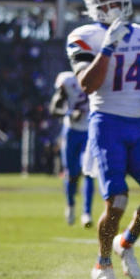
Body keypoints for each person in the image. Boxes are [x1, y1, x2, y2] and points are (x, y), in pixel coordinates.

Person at [66, 0, 140, 279]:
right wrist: (108, 47)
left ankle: (125, 242)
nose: (112, 4)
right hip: (106, 122)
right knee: (118, 201)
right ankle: (102, 263)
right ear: (93, 6)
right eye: (104, 0)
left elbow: (136, 78)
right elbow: (87, 84)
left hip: (139, 123)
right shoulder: (83, 35)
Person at [49, 70, 94, 227]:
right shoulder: (67, 79)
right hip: (71, 132)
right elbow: (54, 108)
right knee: (71, 173)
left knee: (88, 172)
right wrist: (68, 112)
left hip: (90, 131)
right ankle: (71, 205)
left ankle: (86, 213)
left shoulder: (99, 75)